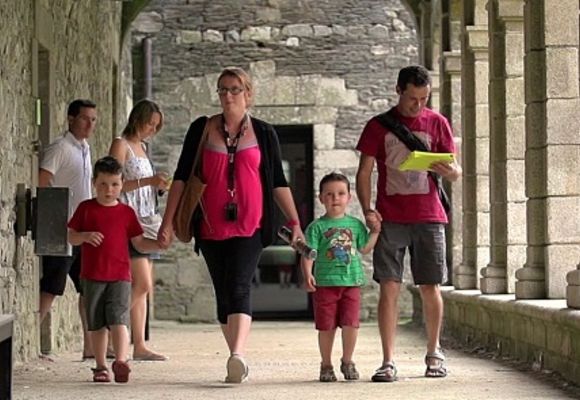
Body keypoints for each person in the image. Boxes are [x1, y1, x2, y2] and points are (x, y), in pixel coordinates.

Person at [158, 67, 304, 383]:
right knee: (223, 293)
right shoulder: (202, 129)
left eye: (235, 89)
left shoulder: (264, 133)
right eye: (222, 89)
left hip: (251, 224)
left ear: (248, 95)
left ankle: (237, 354)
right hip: (210, 226)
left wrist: (295, 222)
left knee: (239, 284)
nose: (227, 95)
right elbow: (182, 178)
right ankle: (235, 358)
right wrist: (167, 222)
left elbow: (278, 181)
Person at [356, 65, 461, 382]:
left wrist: (449, 171)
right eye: (413, 98)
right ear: (398, 90)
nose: (419, 106)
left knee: (431, 285)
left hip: (430, 216)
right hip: (390, 217)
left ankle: (434, 352)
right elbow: (364, 172)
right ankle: (387, 361)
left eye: (424, 98)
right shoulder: (378, 126)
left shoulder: (436, 122)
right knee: (389, 286)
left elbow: (456, 171)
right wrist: (367, 210)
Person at [67, 156, 163, 383]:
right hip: (92, 276)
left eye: (115, 185)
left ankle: (121, 361)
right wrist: (84, 236)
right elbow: (70, 236)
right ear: (94, 183)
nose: (109, 190)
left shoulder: (127, 213)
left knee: (120, 319)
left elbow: (139, 243)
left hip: (120, 276)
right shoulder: (85, 209)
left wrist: (158, 244)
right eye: (103, 184)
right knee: (97, 324)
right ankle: (101, 366)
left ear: (121, 185)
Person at [301, 172, 380, 382]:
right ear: (321, 198)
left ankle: (348, 360)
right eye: (329, 194)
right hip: (325, 284)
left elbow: (364, 249)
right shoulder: (316, 228)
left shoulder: (355, 225)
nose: (335, 198)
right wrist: (307, 272)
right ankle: (326, 364)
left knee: (351, 324)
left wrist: (375, 233)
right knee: (326, 326)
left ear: (349, 197)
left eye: (340, 193)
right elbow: (309, 253)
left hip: (351, 283)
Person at [109, 99, 169, 361]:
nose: (152, 130)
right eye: (149, 124)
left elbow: (143, 187)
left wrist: (157, 187)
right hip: (128, 221)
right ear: (137, 119)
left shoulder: (142, 148)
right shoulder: (120, 144)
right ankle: (109, 328)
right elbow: (112, 184)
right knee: (142, 284)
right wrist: (148, 180)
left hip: (147, 218)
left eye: (156, 127)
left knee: (143, 286)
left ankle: (140, 344)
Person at [39, 99, 97, 359]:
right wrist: (57, 219)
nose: (90, 124)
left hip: (83, 231)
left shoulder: (85, 148)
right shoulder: (60, 148)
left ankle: (89, 347)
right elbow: (42, 181)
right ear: (71, 119)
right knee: (52, 286)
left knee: (87, 287)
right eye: (85, 118)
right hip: (64, 230)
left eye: (93, 119)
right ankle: (29, 341)